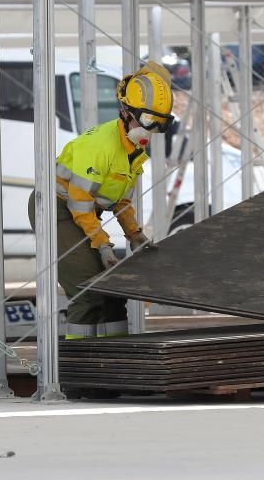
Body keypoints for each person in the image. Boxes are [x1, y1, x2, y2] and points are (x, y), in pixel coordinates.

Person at [28, 60, 174, 339]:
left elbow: (121, 202)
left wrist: (135, 235)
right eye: (146, 120)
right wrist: (103, 245)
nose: (151, 130)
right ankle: (81, 372)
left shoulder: (132, 151)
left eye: (159, 123)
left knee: (113, 292)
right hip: (55, 210)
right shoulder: (99, 147)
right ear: (125, 112)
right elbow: (79, 204)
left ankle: (115, 364)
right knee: (87, 290)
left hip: (82, 213)